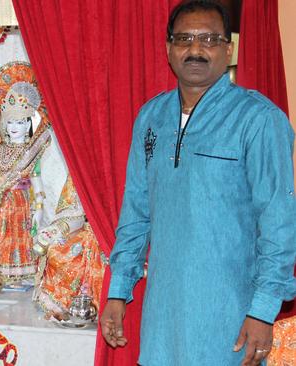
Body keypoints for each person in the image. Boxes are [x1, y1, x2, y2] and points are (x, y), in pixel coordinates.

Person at [100, 1, 296, 365]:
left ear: (228, 48)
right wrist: (118, 291)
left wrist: (263, 311)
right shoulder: (151, 117)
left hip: (231, 322)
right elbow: (136, 211)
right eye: (184, 39)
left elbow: (279, 224)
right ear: (168, 49)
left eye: (208, 39)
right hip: (163, 324)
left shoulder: (258, 120)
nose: (195, 49)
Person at [0, 62, 51, 284]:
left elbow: (37, 180)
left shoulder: (30, 150)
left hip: (21, 202)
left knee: (19, 238)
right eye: (10, 122)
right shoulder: (1, 147)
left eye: (19, 122)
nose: (14, 126)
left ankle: (18, 277)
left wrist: (39, 208)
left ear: (28, 125)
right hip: (1, 200)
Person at [32, 176, 106, 319]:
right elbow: (72, 213)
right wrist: (53, 232)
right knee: (56, 253)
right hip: (87, 234)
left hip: (115, 238)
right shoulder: (80, 171)